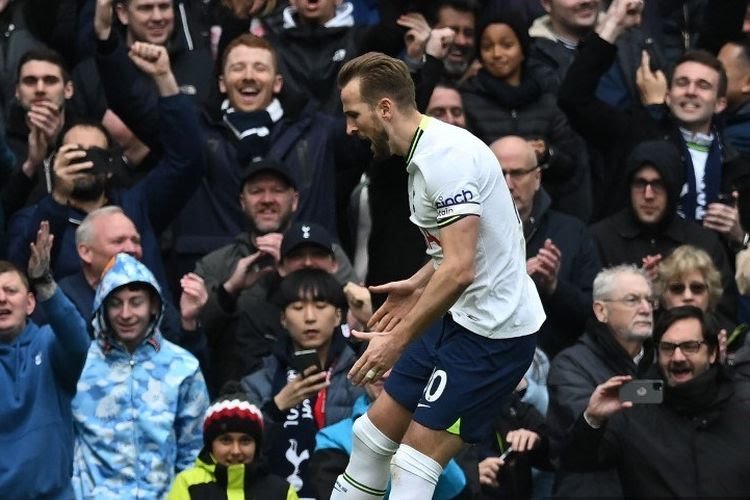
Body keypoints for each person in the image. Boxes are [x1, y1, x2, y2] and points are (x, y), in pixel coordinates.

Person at [331, 51, 544, 499]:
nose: (350, 127)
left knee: (412, 465)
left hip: (494, 335)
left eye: (354, 114)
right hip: (457, 317)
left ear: (385, 108)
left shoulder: (443, 160)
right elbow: (463, 251)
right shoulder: (427, 150)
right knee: (370, 439)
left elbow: (462, 269)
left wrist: (398, 339)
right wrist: (415, 283)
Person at [7, 41, 205, 290]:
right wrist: (58, 197)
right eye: (74, 154)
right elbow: (23, 281)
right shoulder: (32, 219)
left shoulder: (136, 206)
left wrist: (165, 79)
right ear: (56, 161)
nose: (85, 162)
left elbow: (188, 160)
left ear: (111, 166)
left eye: (95, 155)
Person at [558, 0, 750, 226]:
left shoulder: (735, 164)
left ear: (720, 103)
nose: (690, 91)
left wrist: (740, 236)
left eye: (703, 86)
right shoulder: (634, 135)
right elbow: (573, 98)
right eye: (681, 82)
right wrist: (614, 24)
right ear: (667, 95)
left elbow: (718, 27)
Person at [558, 305, 750, 497]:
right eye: (667, 348)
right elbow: (577, 461)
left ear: (713, 353)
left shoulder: (741, 403)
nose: (677, 357)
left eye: (690, 346)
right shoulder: (635, 401)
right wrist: (592, 419)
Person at [71, 253, 210, 498]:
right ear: (102, 306)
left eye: (136, 302)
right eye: (115, 303)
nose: (125, 314)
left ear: (153, 305)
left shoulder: (182, 366)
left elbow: (195, 450)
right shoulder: (79, 362)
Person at [241, 268, 364, 499]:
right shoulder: (259, 381)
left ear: (338, 316)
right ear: (283, 319)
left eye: (320, 306)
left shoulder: (359, 376)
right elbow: (237, 453)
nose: (309, 317)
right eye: (297, 308)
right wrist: (275, 408)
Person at [590, 140, 738, 329]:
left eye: (658, 184)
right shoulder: (601, 239)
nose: (648, 195)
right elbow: (590, 314)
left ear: (673, 188)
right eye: (640, 184)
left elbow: (724, 316)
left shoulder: (703, 243)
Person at [460, 8, 590, 220]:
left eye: (507, 44)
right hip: (487, 213)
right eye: (487, 47)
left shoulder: (546, 98)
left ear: (523, 49)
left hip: (546, 213)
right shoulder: (468, 99)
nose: (497, 54)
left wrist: (547, 153)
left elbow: (571, 159)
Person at [546, 264, 655, 497]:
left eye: (649, 300)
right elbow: (584, 442)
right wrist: (656, 395)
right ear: (601, 311)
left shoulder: (663, 362)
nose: (646, 308)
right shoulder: (571, 365)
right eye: (632, 300)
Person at [0, 221, 90, 498]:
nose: (1, 300)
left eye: (11, 291)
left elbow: (77, 343)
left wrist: (45, 284)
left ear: (30, 303)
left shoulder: (49, 342)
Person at [491, 135, 600, 358]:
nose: (508, 184)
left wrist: (554, 288)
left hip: (557, 366)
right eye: (499, 174)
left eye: (518, 173)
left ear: (538, 178)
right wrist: (518, 279)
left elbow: (595, 315)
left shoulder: (572, 233)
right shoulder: (466, 233)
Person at [309, 370, 469, 500]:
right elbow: (328, 494)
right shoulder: (333, 438)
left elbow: (464, 492)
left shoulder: (442, 426)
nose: (384, 375)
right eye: (377, 365)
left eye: (398, 364)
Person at [167, 382, 297, 500]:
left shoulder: (281, 492)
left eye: (245, 441)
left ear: (257, 445)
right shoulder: (188, 484)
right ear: (210, 444)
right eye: (226, 440)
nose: (235, 451)